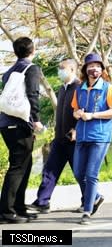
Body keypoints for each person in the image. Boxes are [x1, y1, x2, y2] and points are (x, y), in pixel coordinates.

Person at [72, 53, 112, 225]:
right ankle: (96, 197)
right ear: (85, 69)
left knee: (91, 174)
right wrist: (77, 113)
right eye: (90, 66)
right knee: (78, 173)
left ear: (102, 69)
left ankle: (87, 211)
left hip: (99, 137)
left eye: (98, 66)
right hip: (81, 137)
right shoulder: (79, 89)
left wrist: (92, 115)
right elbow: (75, 110)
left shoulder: (108, 88)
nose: (94, 68)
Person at [0, 37, 44, 223]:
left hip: (6, 123)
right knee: (18, 167)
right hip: (20, 124)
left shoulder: (8, 71)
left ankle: (18, 208)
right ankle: (6, 213)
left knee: (23, 166)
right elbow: (33, 94)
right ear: (32, 51)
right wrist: (36, 120)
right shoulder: (32, 69)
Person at [29, 59, 82, 213]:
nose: (60, 71)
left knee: (79, 172)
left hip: (73, 139)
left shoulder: (79, 87)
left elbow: (83, 110)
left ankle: (91, 199)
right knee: (50, 170)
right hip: (60, 138)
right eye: (59, 68)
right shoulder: (62, 88)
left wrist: (77, 130)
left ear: (72, 69)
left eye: (62, 68)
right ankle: (42, 202)